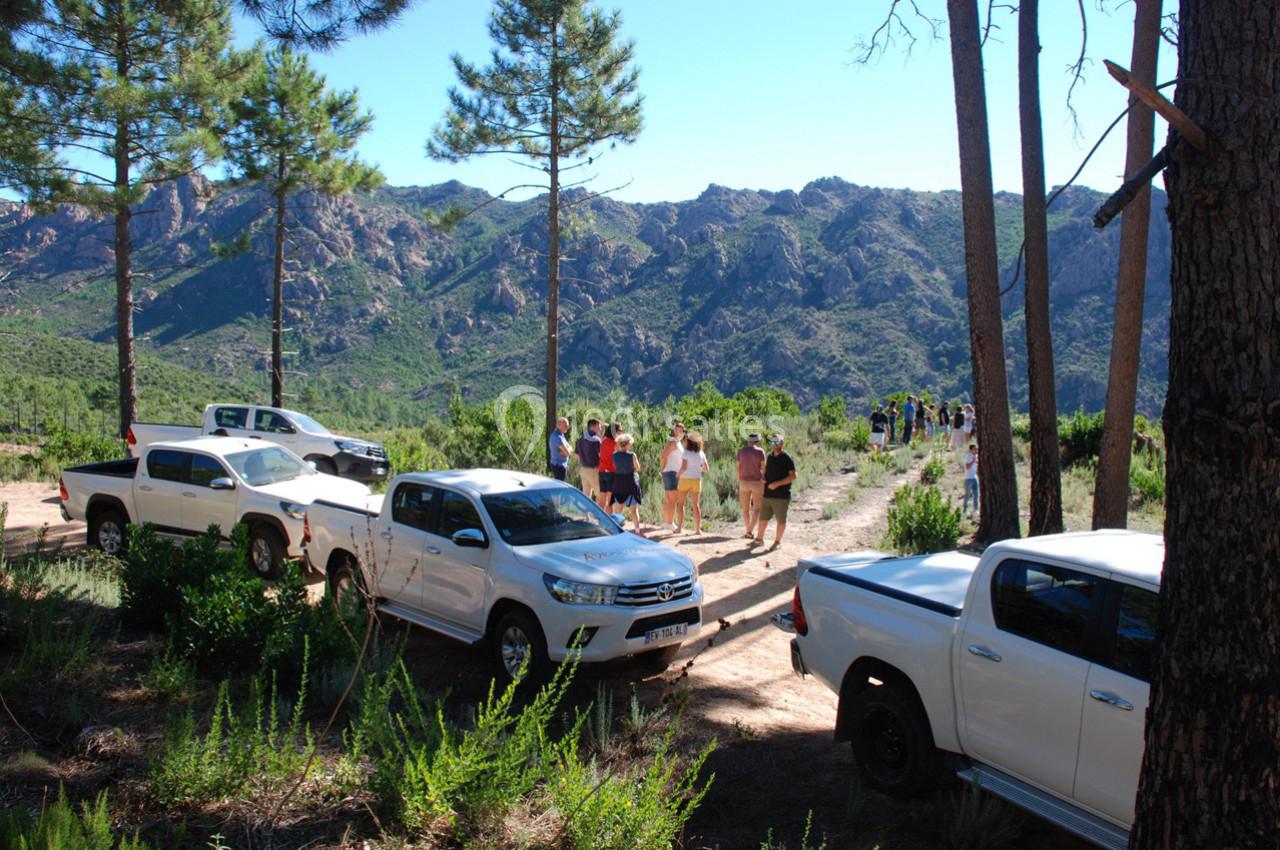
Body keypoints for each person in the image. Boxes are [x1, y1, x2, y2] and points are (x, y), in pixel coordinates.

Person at [754, 433, 796, 549]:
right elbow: (766, 473)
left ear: (782, 443)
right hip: (768, 494)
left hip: (781, 496)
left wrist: (778, 484)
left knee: (780, 520)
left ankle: (777, 542)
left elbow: (793, 476)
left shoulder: (787, 458)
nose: (775, 444)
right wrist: (763, 478)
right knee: (763, 518)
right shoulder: (770, 457)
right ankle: (759, 539)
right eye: (773, 442)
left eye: (777, 442)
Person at [675, 431, 709, 534]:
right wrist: (698, 469)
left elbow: (684, 467)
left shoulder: (686, 453)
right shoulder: (701, 453)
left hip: (685, 479)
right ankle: (698, 530)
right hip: (696, 480)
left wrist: (677, 474)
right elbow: (706, 469)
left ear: (689, 442)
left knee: (681, 504)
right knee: (696, 504)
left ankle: (679, 528)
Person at [610, 432, 644, 535]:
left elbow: (615, 467)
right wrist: (632, 468)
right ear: (628, 444)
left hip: (619, 483)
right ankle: (637, 530)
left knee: (618, 510)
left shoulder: (614, 455)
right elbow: (638, 468)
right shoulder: (632, 455)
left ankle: (615, 530)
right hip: (630, 482)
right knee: (634, 510)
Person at [736, 433, 766, 539]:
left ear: (748, 440)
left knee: (745, 509)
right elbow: (763, 468)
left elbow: (738, 468)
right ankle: (750, 531)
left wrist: (739, 480)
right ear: (757, 441)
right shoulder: (760, 452)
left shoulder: (741, 451)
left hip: (743, 482)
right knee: (757, 509)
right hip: (757, 482)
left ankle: (747, 530)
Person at [659, 422, 686, 530]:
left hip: (672, 472)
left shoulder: (677, 442)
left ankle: (667, 522)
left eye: (681, 430)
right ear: (674, 431)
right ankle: (669, 522)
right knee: (673, 499)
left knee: (669, 499)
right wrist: (662, 470)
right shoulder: (673, 442)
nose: (678, 432)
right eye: (677, 430)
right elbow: (663, 456)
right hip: (671, 473)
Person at [575, 418, 603, 502]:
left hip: (584, 469)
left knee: (586, 495)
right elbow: (601, 455)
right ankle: (599, 514)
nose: (600, 429)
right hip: (594, 469)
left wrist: (585, 459)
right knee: (600, 494)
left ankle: (586, 514)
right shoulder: (596, 440)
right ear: (594, 426)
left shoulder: (580, 438)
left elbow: (576, 455)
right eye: (599, 426)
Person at [597, 423, 619, 510]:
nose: (621, 433)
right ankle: (609, 521)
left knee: (602, 499)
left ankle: (600, 519)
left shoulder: (603, 441)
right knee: (610, 501)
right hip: (611, 472)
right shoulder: (615, 444)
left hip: (602, 472)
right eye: (619, 431)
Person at [963, 443, 979, 516]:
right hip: (968, 478)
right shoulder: (968, 456)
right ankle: (965, 509)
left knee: (976, 494)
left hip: (974, 477)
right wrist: (973, 460)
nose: (976, 450)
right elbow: (967, 467)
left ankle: (976, 509)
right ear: (971, 449)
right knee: (967, 495)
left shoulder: (976, 456)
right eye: (975, 449)